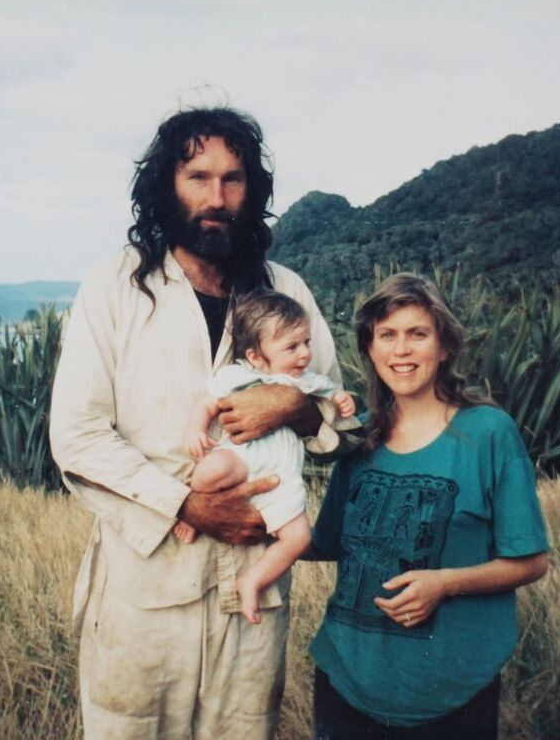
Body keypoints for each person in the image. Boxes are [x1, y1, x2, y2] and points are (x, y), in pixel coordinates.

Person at [49, 106, 359, 739]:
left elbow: (339, 419)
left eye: (233, 179)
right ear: (167, 185)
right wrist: (186, 505)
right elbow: (76, 436)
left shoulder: (287, 291)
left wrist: (297, 406)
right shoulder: (113, 289)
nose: (216, 197)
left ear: (253, 190)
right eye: (198, 177)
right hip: (145, 586)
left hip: (254, 587)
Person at [308, 273, 549, 740]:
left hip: (449, 689)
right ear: (371, 349)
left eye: (417, 334)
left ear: (444, 348)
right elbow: (324, 543)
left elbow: (531, 561)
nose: (401, 350)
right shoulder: (358, 437)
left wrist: (445, 584)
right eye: (387, 336)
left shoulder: (488, 434)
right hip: (346, 681)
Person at [173, 289, 356, 624]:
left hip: (282, 476)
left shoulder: (308, 382)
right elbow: (208, 403)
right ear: (256, 357)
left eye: (305, 343)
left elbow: (335, 399)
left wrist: (342, 402)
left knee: (299, 538)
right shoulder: (241, 376)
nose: (304, 354)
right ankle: (191, 513)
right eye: (291, 347)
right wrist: (195, 431)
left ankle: (253, 580)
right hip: (242, 457)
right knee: (210, 471)